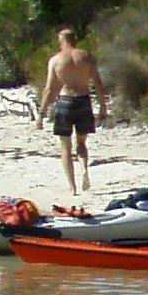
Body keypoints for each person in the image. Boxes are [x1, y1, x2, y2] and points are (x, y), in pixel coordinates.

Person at [39, 28, 106, 196]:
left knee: (65, 147)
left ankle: (72, 186)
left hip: (65, 101)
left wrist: (41, 114)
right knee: (82, 143)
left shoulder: (56, 60)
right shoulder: (86, 56)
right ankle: (84, 169)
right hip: (83, 100)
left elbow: (48, 89)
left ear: (61, 41)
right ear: (74, 40)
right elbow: (98, 82)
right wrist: (103, 107)